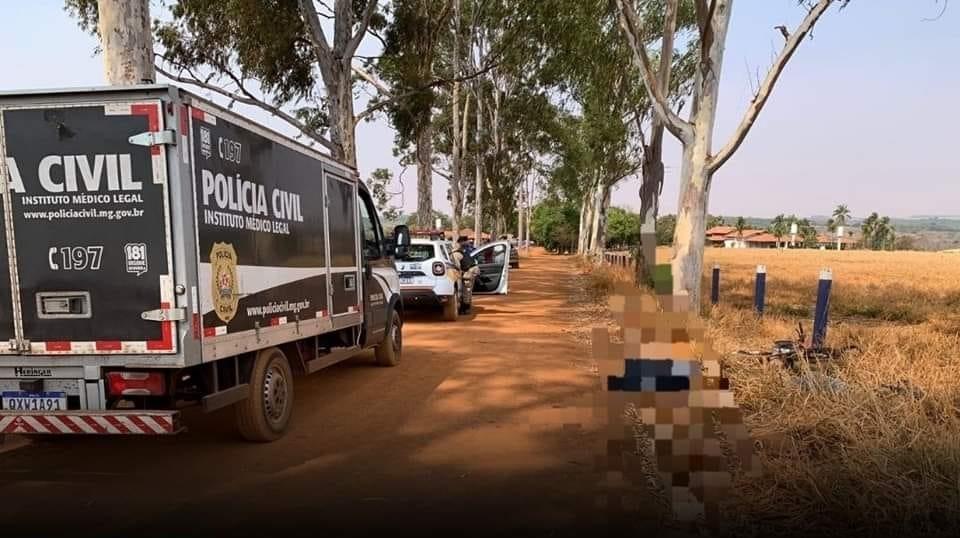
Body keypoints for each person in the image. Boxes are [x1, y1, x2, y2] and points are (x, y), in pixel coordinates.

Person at [451, 236, 479, 314]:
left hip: (469, 271)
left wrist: (458, 275)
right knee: (468, 290)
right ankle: (466, 307)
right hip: (472, 269)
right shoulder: (465, 250)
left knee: (466, 290)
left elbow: (457, 267)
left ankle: (465, 309)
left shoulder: (456, 254)